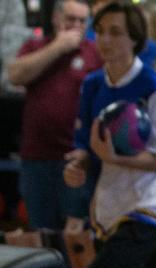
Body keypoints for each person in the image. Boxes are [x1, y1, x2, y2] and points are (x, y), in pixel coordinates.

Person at [64, 0, 156, 268]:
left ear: (136, 40)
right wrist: (77, 164)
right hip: (107, 207)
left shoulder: (155, 89)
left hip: (147, 210)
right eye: (99, 32)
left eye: (116, 32)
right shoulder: (93, 85)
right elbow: (84, 145)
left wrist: (112, 156)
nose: (105, 40)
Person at [7, 0, 102, 231]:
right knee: (41, 233)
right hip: (36, 159)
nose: (76, 26)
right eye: (71, 19)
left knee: (75, 236)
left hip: (77, 159)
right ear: (56, 18)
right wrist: (58, 47)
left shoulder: (94, 53)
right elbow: (15, 75)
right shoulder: (35, 46)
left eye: (82, 21)